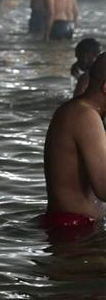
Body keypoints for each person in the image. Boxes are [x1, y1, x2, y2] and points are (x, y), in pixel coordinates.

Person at [43, 52, 106, 240]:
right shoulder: (85, 116)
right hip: (73, 231)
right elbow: (104, 188)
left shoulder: (82, 112)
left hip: (74, 226)